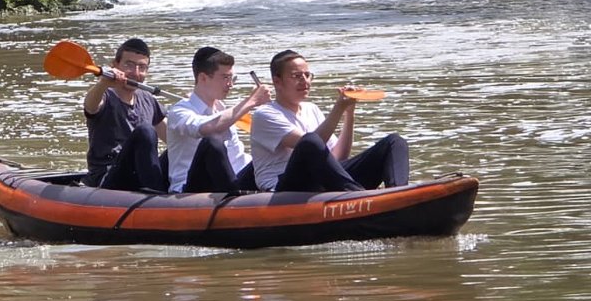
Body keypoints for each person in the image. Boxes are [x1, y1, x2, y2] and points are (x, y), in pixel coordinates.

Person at [249, 49, 409, 193]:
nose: (305, 81)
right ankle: (356, 193)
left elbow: (338, 157)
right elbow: (310, 146)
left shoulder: (311, 108)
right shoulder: (265, 114)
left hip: (322, 179)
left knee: (394, 141)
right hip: (285, 186)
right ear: (277, 81)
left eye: (307, 75)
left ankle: (399, 193)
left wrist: (348, 113)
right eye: (297, 76)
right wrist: (338, 109)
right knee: (309, 141)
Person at [166, 47, 272, 194]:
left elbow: (238, 157)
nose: (230, 84)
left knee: (270, 154)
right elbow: (208, 128)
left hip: (233, 179)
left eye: (231, 78)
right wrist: (251, 101)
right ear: (203, 78)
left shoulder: (222, 109)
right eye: (225, 78)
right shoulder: (179, 111)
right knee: (212, 142)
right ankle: (235, 200)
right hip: (189, 188)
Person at [83, 37, 166, 190]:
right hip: (109, 176)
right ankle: (157, 197)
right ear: (115, 65)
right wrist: (103, 83)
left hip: (141, 173)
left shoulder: (147, 98)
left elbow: (173, 138)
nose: (135, 73)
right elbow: (90, 106)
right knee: (145, 131)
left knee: (186, 144)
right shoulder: (105, 95)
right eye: (129, 65)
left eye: (142, 67)